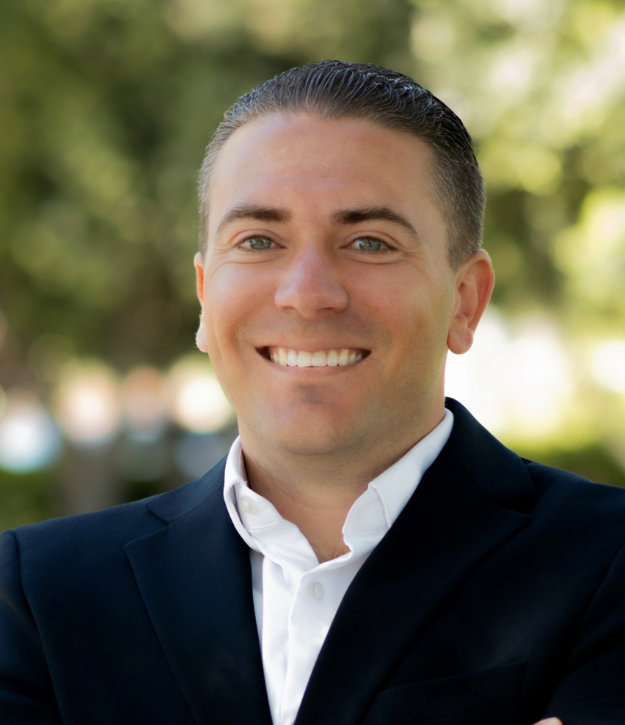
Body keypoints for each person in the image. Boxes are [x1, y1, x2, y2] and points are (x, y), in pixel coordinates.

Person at [0, 61, 623, 725]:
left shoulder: (608, 560)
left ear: (464, 302)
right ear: (206, 297)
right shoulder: (39, 592)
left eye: (368, 241)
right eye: (259, 240)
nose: (307, 292)